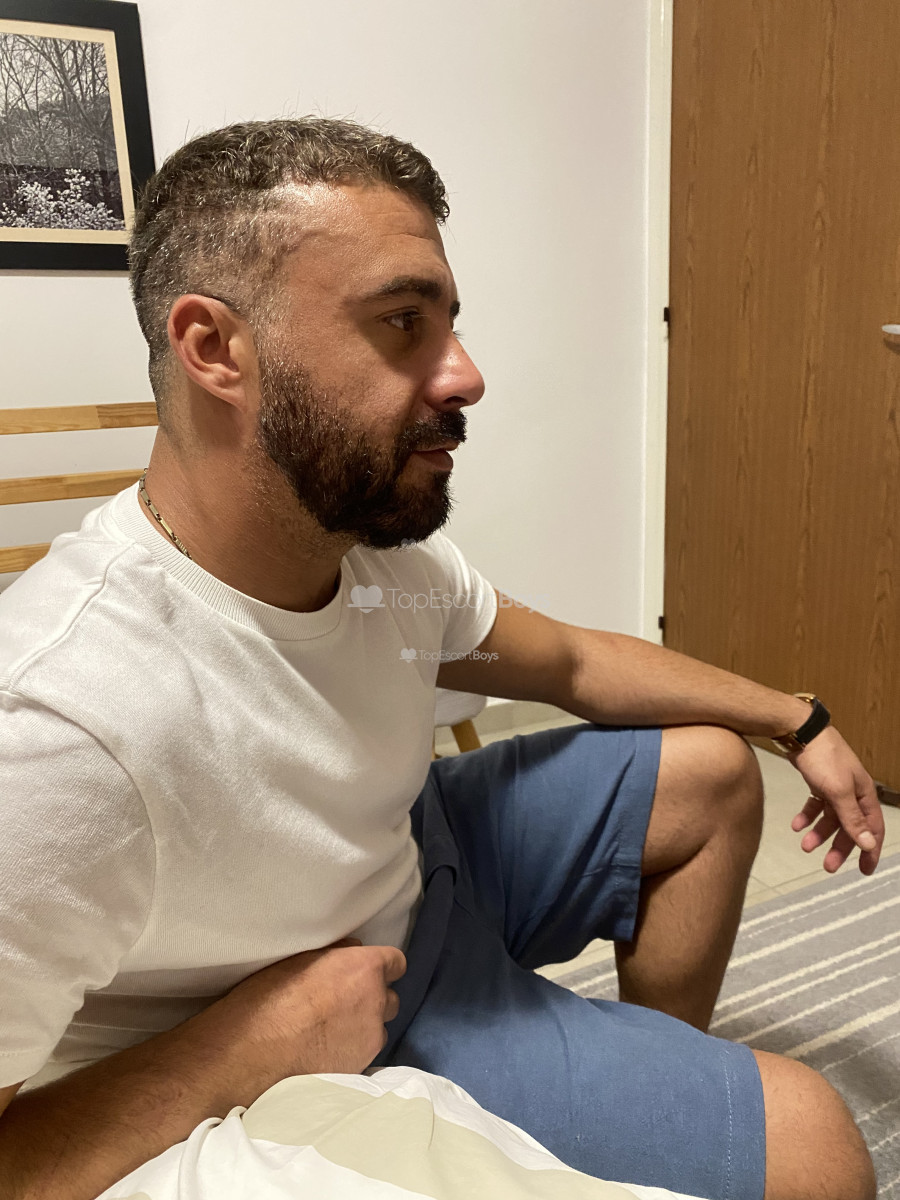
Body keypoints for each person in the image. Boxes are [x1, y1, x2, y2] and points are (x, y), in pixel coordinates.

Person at [0, 118, 882, 1200]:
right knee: (815, 1154)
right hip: (335, 1001)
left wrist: (796, 718)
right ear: (215, 350)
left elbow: (570, 663)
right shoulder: (58, 728)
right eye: (401, 323)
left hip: (408, 858)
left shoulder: (371, 555)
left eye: (449, 323)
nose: (465, 376)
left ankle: (638, 1102)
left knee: (709, 768)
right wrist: (243, 1048)